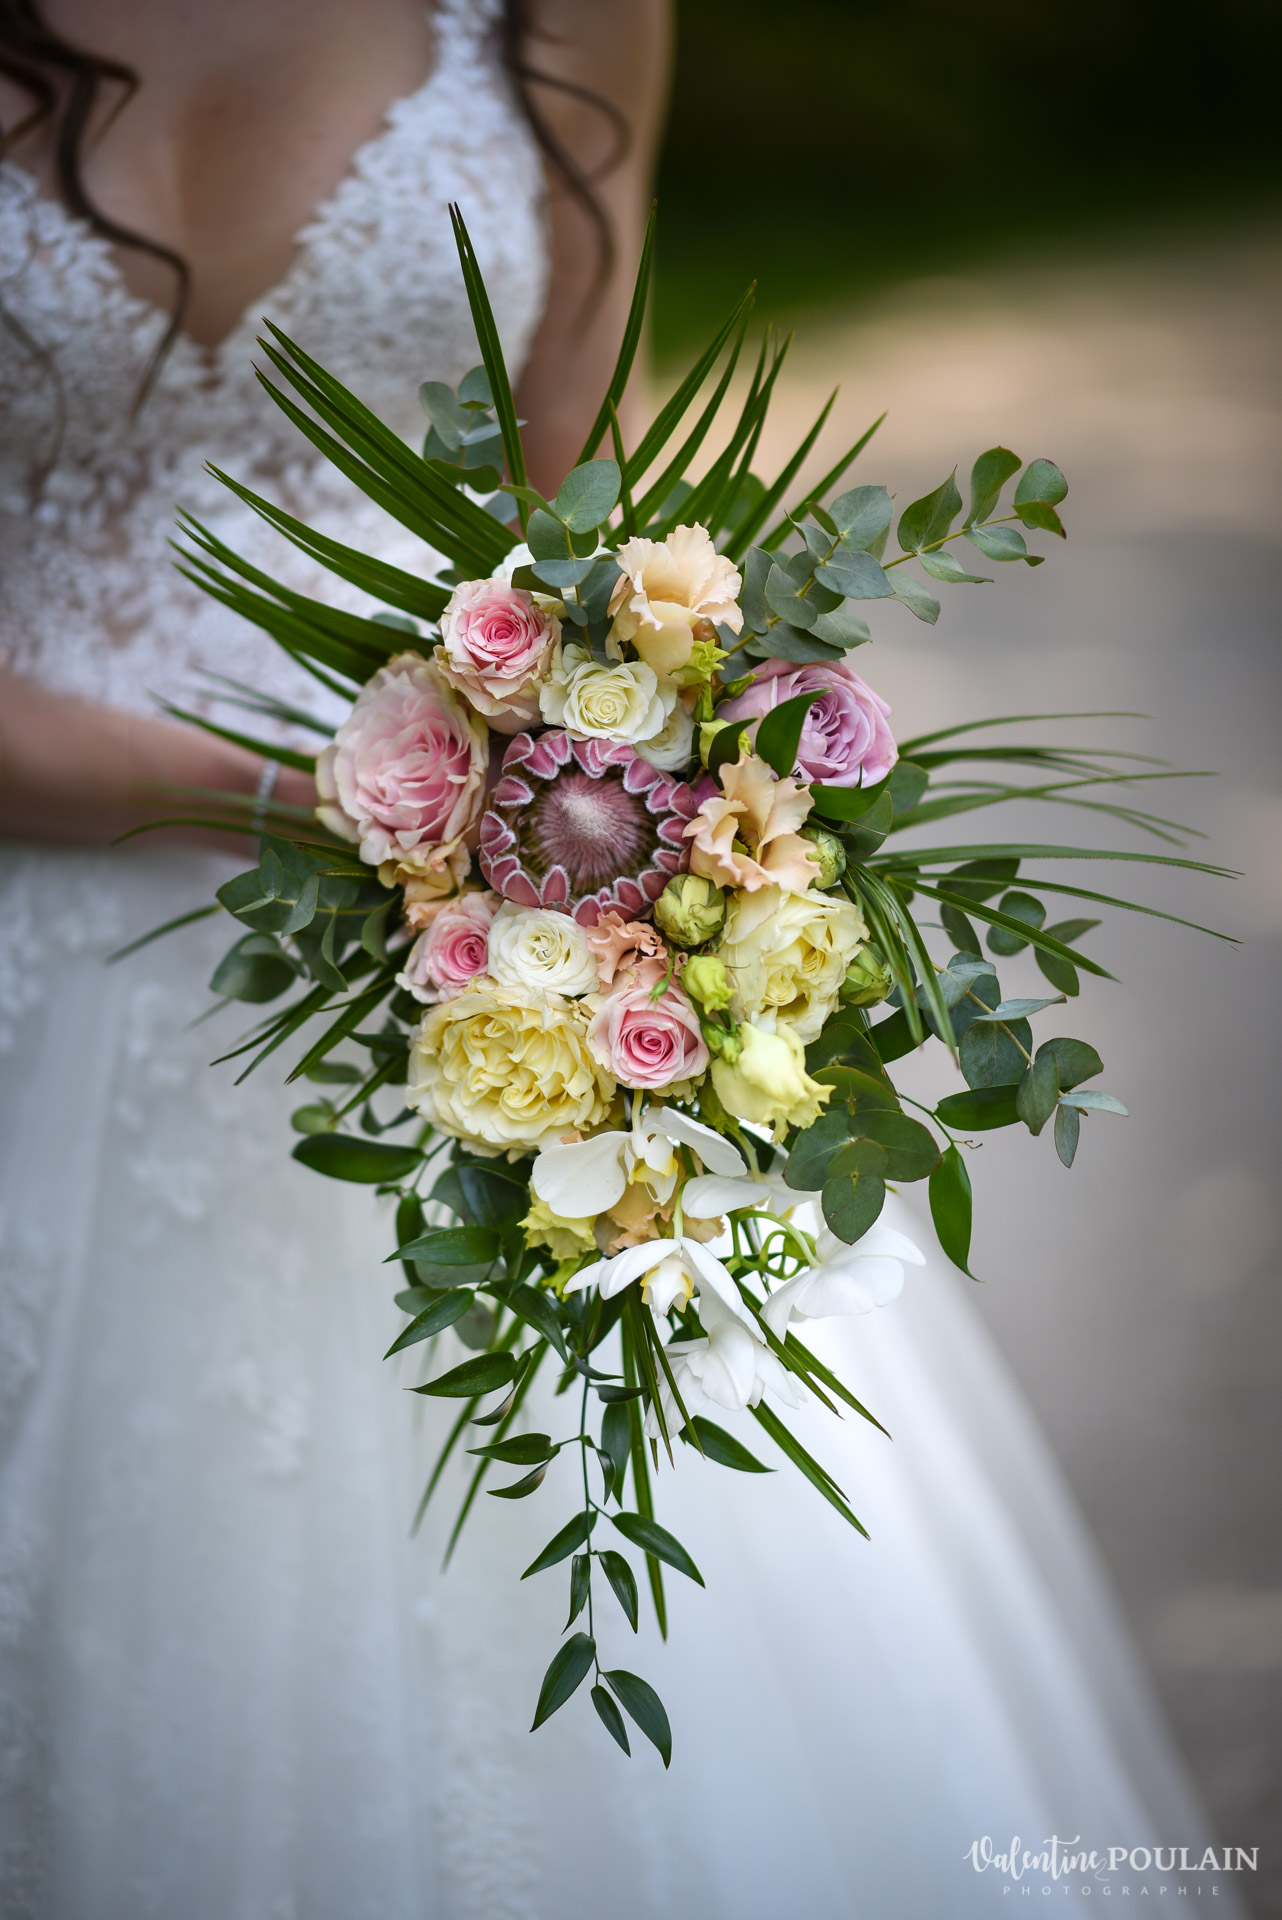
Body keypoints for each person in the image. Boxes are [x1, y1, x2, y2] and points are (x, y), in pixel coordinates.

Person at [0, 4, 1243, 1916]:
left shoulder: (563, 9)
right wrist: (309, 801)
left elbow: (575, 491)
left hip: (488, 938)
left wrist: (645, 781)